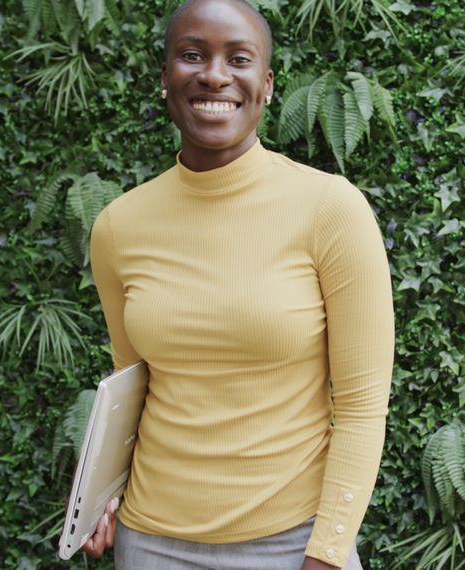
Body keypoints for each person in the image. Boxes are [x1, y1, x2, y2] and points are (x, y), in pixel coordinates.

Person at [79, 0, 394, 567]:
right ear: (165, 79)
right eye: (192, 55)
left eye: (239, 59)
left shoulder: (330, 210)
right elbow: (129, 388)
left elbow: (362, 407)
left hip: (292, 542)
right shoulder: (118, 227)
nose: (215, 75)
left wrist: (326, 552)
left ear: (267, 85)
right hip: (150, 543)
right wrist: (100, 496)